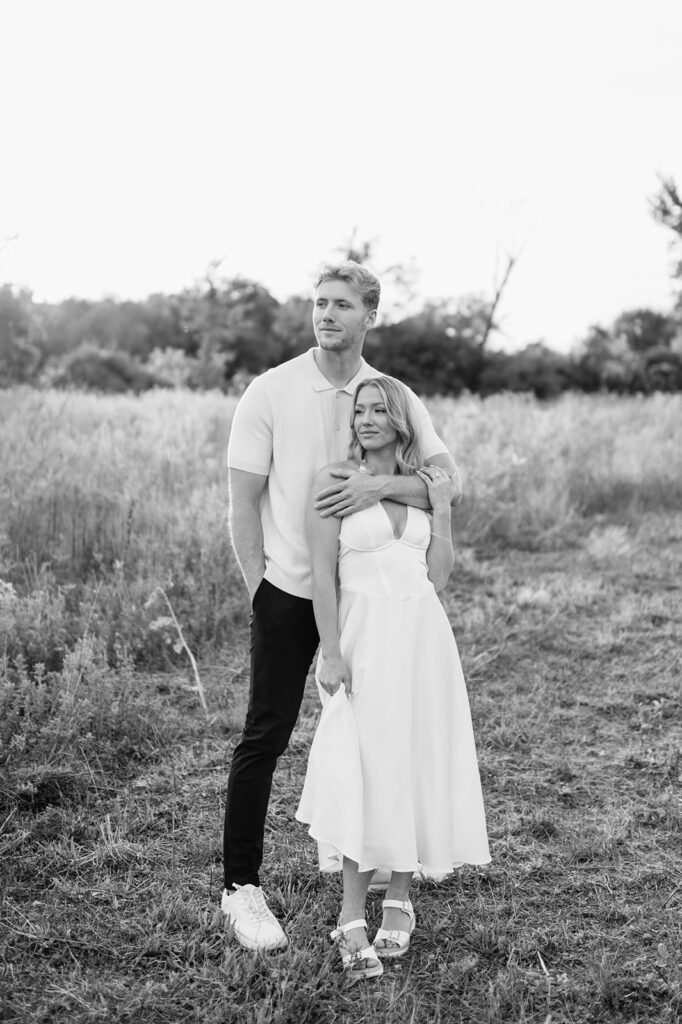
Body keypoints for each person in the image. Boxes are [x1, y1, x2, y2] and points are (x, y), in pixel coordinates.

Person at [223, 260, 459, 951]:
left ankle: (385, 887)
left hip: (369, 603)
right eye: (319, 303)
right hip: (291, 593)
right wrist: (259, 592)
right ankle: (242, 891)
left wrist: (377, 492)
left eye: (342, 305)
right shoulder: (270, 392)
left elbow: (446, 479)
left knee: (382, 738)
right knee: (265, 735)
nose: (326, 314)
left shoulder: (390, 394)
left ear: (369, 316)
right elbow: (241, 502)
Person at [295, 376, 490, 980]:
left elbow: (439, 578)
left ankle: (400, 897)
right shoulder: (333, 480)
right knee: (365, 765)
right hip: (363, 637)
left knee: (413, 758)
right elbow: (322, 577)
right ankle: (351, 913)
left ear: (402, 420)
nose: (369, 418)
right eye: (361, 409)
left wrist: (445, 509)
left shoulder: (424, 489)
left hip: (423, 637)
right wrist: (330, 651)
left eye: (381, 409)